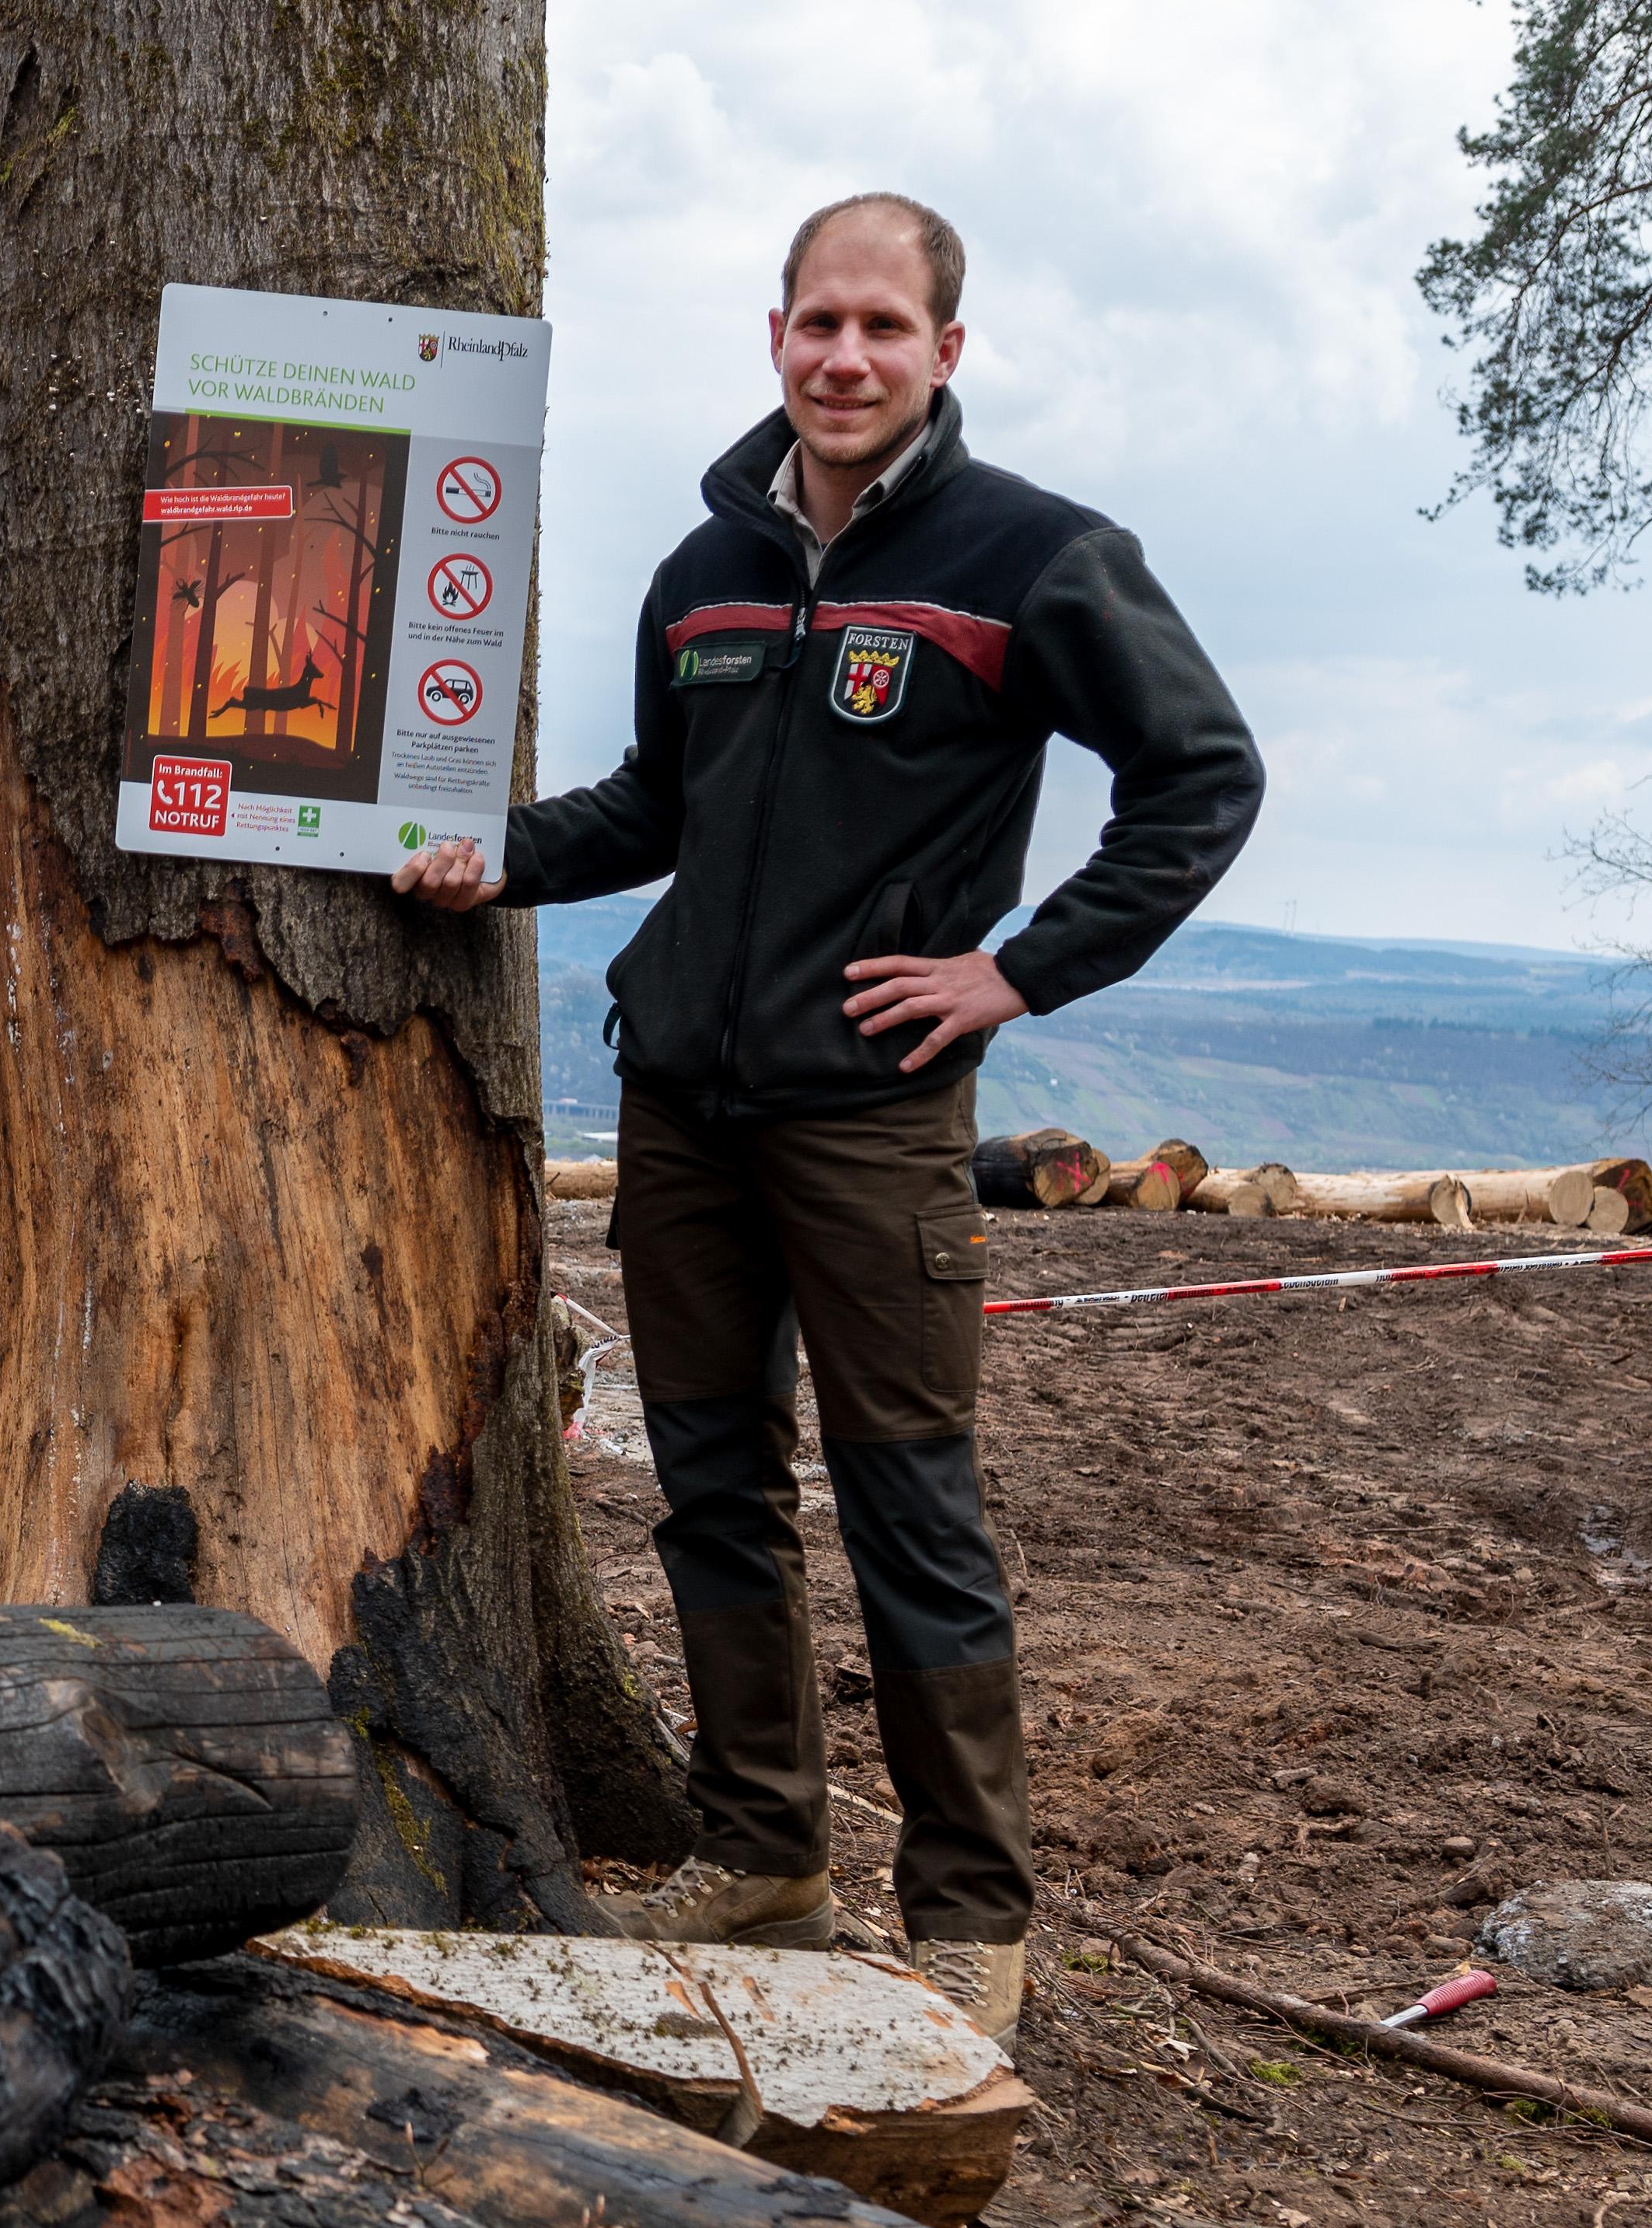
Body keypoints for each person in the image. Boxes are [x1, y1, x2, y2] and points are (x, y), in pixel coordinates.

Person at [392, 191, 1259, 2038]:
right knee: (714, 1490)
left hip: (873, 1118)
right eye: (818, 324)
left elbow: (1202, 775)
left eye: (883, 327)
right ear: (774, 335)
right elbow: (658, 804)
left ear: (947, 347)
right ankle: (764, 1856)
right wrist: (497, 858)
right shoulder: (704, 567)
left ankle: (968, 1923)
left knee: (906, 1507)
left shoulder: (1037, 556)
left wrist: (1018, 973)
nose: (846, 358)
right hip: (682, 1111)